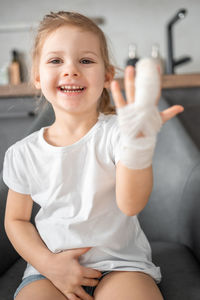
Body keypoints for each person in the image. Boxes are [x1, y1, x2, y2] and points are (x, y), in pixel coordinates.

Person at [3, 11, 184, 300]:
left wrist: (138, 146)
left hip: (122, 267)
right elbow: (16, 221)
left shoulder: (117, 133)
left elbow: (130, 203)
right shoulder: (22, 153)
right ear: (37, 76)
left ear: (107, 75)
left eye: (86, 60)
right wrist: (48, 264)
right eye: (55, 60)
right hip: (49, 272)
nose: (71, 70)